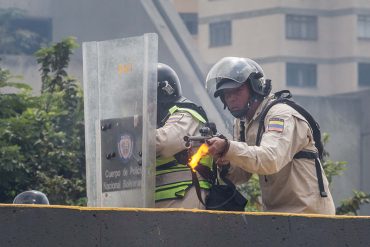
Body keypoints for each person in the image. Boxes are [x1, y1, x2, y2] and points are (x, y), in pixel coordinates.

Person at [205, 57, 335, 214]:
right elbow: (242, 174)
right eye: (226, 94)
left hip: (308, 213)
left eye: (237, 90)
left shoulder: (280, 115)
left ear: (254, 88)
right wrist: (224, 160)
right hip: (276, 214)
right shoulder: (243, 122)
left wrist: (228, 147)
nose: (231, 97)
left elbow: (270, 160)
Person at [155, 63, 212, 209]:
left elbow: (164, 143)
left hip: (185, 195)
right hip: (155, 199)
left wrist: (131, 134)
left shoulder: (185, 113)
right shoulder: (151, 123)